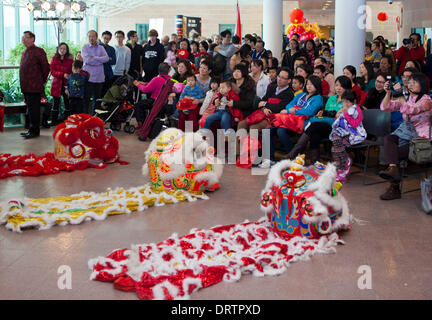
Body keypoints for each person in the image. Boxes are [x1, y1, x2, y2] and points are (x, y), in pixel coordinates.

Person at [379, 72, 432, 200]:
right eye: (409, 82)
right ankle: (393, 171)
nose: (411, 84)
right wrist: (388, 93)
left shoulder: (427, 100)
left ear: (423, 84)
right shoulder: (407, 98)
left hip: (421, 140)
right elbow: (385, 107)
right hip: (407, 136)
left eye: (415, 82)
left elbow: (411, 110)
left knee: (394, 154)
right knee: (388, 138)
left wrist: (402, 98)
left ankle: (394, 187)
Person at [260, 75, 323, 168]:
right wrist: (291, 110)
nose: (309, 86)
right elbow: (289, 105)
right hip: (289, 120)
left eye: (312, 84)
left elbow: (309, 112)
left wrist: (294, 111)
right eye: (308, 84)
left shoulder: (318, 98)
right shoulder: (301, 94)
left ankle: (293, 157)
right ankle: (270, 159)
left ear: (317, 86)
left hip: (303, 122)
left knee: (280, 131)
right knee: (268, 130)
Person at [287, 75, 353, 163]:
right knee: (314, 133)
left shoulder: (349, 101)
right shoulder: (332, 98)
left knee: (314, 126)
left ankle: (293, 153)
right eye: (336, 85)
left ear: (347, 88)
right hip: (326, 126)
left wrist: (317, 119)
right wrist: (323, 114)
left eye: (341, 86)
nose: (338, 88)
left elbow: (337, 120)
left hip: (340, 128)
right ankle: (314, 162)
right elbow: (327, 115)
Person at [238, 66, 294, 133]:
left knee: (254, 128)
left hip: (274, 118)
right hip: (262, 113)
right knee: (241, 124)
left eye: (283, 78)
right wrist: (264, 108)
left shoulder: (289, 93)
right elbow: (262, 100)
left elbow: (279, 108)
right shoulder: (273, 87)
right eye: (279, 76)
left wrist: (265, 104)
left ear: (289, 80)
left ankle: (255, 143)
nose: (279, 79)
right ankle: (239, 143)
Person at [330, 90, 366, 183]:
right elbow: (338, 122)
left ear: (353, 101)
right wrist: (338, 115)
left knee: (337, 147)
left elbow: (354, 124)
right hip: (343, 132)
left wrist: (346, 114)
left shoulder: (357, 110)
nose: (345, 104)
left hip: (354, 134)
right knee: (335, 144)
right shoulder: (344, 108)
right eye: (344, 101)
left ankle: (343, 167)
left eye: (347, 101)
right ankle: (343, 164)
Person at [19, 31, 50, 139]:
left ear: (33, 39)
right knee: (30, 109)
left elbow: (46, 68)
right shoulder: (25, 52)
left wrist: (42, 80)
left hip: (34, 86)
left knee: (34, 109)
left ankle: (35, 131)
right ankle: (31, 129)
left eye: (26, 37)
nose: (23, 39)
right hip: (26, 86)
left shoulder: (39, 51)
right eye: (23, 37)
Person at [134, 62, 172, 127]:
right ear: (168, 71)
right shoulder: (170, 80)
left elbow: (145, 90)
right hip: (165, 103)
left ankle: (142, 125)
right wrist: (145, 83)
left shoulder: (156, 79)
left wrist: (138, 84)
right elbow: (156, 85)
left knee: (138, 105)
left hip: (155, 101)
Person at [81, 30, 109, 115]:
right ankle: (85, 117)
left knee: (97, 99)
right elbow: (87, 60)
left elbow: (106, 58)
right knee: (86, 99)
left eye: (93, 36)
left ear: (96, 37)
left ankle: (95, 117)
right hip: (88, 77)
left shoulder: (101, 47)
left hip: (99, 78)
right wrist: (100, 58)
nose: (91, 38)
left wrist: (94, 57)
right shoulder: (85, 47)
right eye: (89, 36)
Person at [49, 42, 73, 124]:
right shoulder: (53, 59)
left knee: (67, 102)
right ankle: (54, 121)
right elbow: (52, 71)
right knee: (56, 102)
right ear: (58, 49)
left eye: (64, 49)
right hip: (56, 84)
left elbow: (72, 71)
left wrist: (68, 75)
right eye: (61, 48)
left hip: (67, 84)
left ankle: (67, 120)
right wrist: (63, 74)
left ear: (67, 50)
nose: (62, 50)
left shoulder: (70, 60)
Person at [101, 31, 117, 97]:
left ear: (110, 39)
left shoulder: (111, 49)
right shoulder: (97, 47)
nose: (106, 40)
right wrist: (108, 58)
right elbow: (97, 60)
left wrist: (103, 58)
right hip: (99, 73)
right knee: (99, 93)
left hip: (108, 73)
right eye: (105, 38)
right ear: (101, 37)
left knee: (107, 93)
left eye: (108, 38)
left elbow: (113, 61)